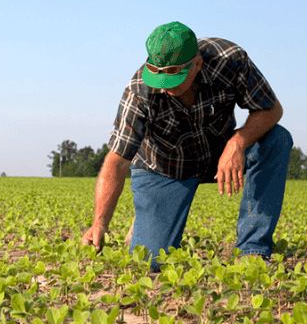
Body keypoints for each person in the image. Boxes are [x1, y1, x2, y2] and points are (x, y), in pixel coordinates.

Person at [81, 21, 292, 271]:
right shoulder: (139, 90)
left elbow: (272, 109)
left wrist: (238, 142)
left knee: (276, 139)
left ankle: (253, 249)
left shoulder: (230, 60)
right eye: (159, 77)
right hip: (164, 168)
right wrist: (100, 223)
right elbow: (117, 161)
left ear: (198, 64)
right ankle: (150, 218)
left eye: (174, 78)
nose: (165, 86)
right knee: (151, 261)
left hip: (218, 154)